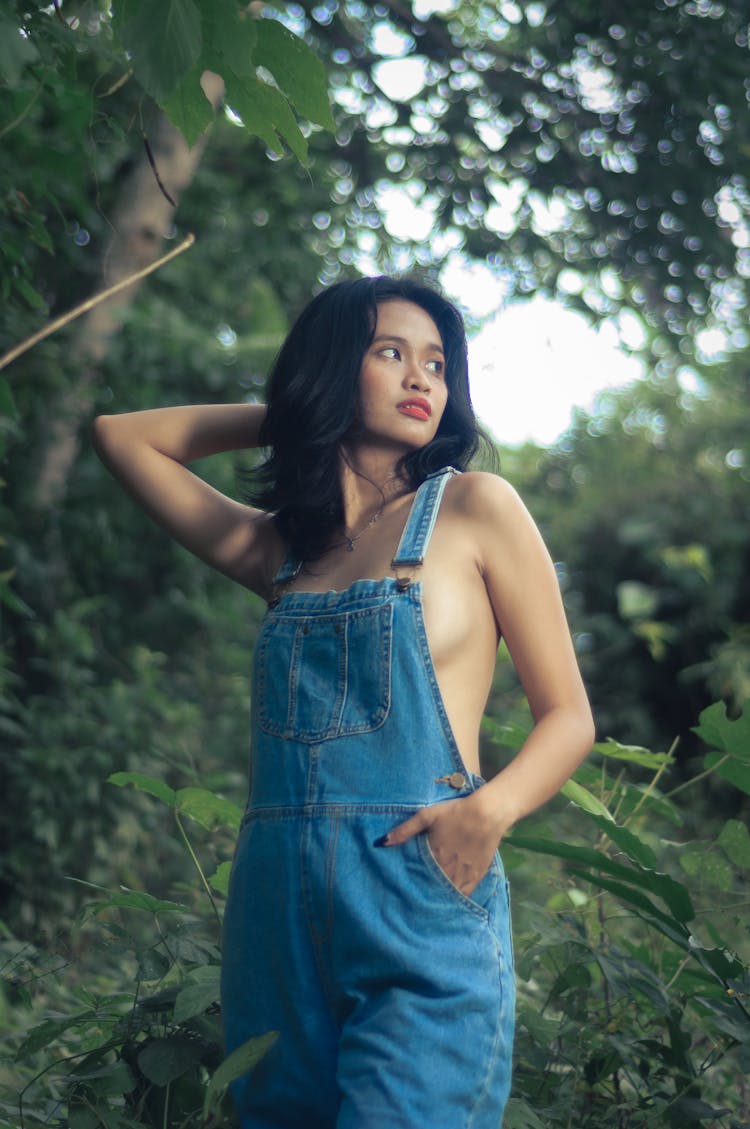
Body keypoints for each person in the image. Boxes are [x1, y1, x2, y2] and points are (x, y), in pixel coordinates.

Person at [93, 275, 594, 1128]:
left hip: (416, 893)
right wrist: (297, 410)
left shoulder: (475, 508)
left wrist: (487, 811)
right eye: (390, 353)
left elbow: (569, 716)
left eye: (437, 363)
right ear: (333, 369)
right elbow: (123, 437)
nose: (421, 380)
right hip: (273, 920)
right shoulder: (279, 549)